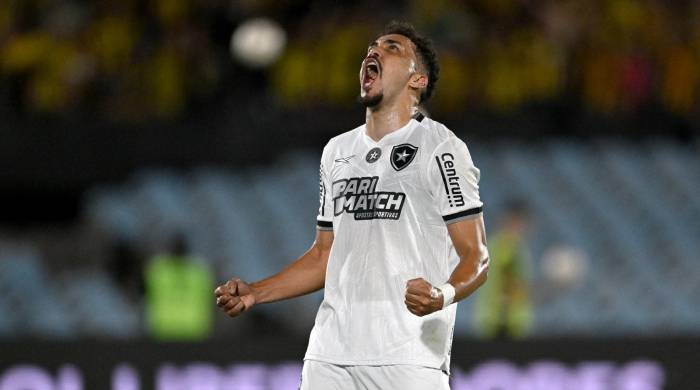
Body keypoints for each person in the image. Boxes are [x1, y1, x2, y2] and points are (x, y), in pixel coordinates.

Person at [215, 21, 489, 389]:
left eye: (392, 48)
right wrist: (257, 291)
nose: (373, 52)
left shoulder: (441, 148)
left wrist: (443, 295)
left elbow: (477, 256)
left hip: (407, 358)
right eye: (371, 47)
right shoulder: (337, 152)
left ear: (417, 81)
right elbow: (324, 255)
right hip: (329, 356)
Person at [475, 200, 533, 339]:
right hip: (504, 325)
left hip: (492, 321)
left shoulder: (496, 244)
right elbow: (509, 285)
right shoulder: (509, 248)